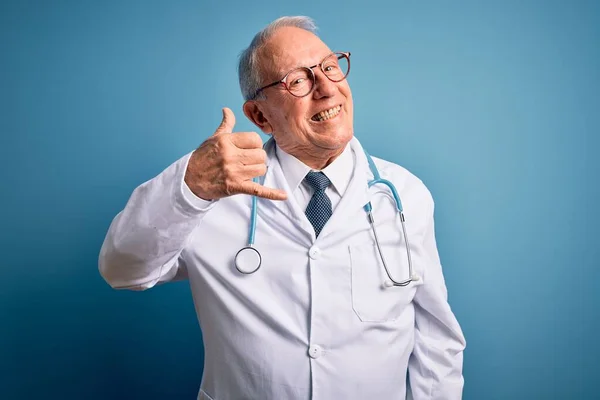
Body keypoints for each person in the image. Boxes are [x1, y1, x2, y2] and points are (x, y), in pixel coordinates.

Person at [99, 15, 466, 400]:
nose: (326, 89)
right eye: (298, 80)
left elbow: (436, 342)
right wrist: (189, 187)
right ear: (259, 116)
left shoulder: (406, 194)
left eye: (330, 67)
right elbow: (122, 269)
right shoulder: (211, 194)